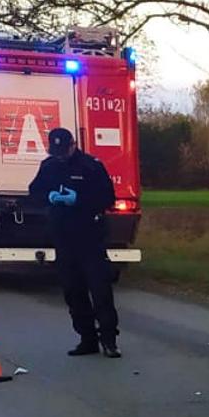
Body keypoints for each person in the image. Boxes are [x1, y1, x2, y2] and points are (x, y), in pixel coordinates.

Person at [29, 127, 120, 358]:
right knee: (73, 291)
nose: (60, 155)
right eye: (56, 151)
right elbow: (34, 192)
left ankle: (109, 339)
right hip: (63, 238)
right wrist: (48, 196)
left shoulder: (91, 166)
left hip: (90, 237)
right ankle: (87, 338)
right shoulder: (49, 166)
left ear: (73, 144)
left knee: (100, 290)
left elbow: (107, 197)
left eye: (64, 150)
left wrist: (79, 200)